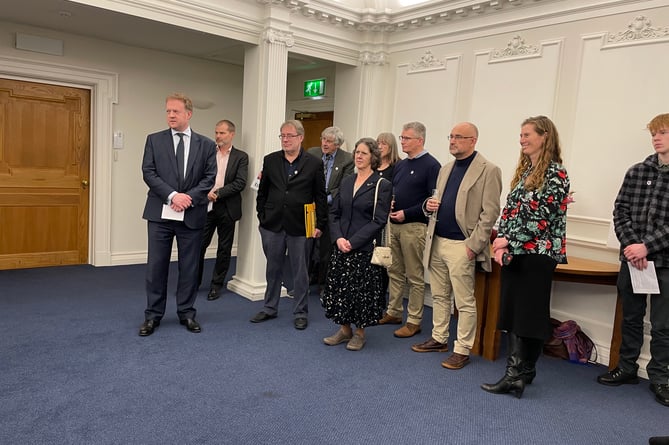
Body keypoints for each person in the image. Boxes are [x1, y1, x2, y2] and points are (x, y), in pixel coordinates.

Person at [481, 115, 570, 398]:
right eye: (520, 135)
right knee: (514, 312)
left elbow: (542, 217)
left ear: (545, 136)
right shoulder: (524, 172)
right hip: (514, 253)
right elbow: (510, 211)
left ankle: (515, 374)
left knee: (528, 314)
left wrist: (509, 240)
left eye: (527, 134)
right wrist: (500, 243)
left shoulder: (556, 173)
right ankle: (524, 373)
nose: (522, 140)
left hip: (538, 254)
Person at [412, 122, 502, 370]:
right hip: (437, 240)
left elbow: (490, 213)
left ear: (473, 140)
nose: (452, 141)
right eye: (450, 136)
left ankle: (462, 348)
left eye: (458, 137)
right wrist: (429, 204)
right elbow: (438, 200)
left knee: (464, 302)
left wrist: (473, 246)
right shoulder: (446, 168)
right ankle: (439, 338)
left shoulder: (489, 170)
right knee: (439, 295)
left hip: (462, 245)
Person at [596, 113, 669, 408]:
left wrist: (646, 247)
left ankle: (661, 378)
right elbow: (620, 210)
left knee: (664, 326)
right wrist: (631, 247)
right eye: (653, 133)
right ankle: (626, 368)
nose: (655, 137)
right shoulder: (637, 171)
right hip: (632, 260)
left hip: (664, 262)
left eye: (662, 132)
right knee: (631, 317)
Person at [139, 93, 217, 336]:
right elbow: (148, 172)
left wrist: (188, 198)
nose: (170, 115)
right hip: (161, 213)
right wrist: (173, 196)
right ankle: (153, 315)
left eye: (175, 111)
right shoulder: (154, 140)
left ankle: (186, 312)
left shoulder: (205, 144)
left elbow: (209, 178)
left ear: (188, 114)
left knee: (190, 266)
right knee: (156, 267)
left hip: (191, 213)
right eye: (168, 111)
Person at [253, 120, 328, 330]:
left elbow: (320, 196)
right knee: (273, 268)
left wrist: (319, 223)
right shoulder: (270, 160)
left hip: (301, 226)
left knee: (300, 271)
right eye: (282, 136)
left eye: (289, 136)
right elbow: (263, 192)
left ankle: (300, 311)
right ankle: (269, 307)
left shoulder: (314, 163)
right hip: (272, 225)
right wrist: (262, 216)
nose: (285, 140)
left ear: (300, 138)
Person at [321, 138, 392, 351]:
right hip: (341, 245)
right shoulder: (347, 181)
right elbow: (334, 213)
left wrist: (353, 242)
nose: (359, 156)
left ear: (373, 157)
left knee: (361, 292)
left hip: (363, 248)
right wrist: (339, 238)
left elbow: (379, 220)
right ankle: (344, 330)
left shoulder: (382, 185)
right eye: (357, 152)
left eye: (364, 153)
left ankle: (359, 333)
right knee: (341, 290)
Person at [378, 122, 441, 338]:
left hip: (414, 227)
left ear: (420, 140)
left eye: (406, 138)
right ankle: (394, 312)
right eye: (402, 137)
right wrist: (390, 205)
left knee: (414, 276)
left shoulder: (432, 165)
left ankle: (414, 320)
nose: (402, 141)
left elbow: (433, 199)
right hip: (394, 225)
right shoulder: (401, 165)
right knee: (394, 271)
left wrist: (408, 213)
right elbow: (394, 190)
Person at [197, 119, 249, 301]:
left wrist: (218, 193)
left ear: (231, 134)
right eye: (216, 132)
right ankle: (193, 282)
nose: (218, 136)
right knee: (198, 246)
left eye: (222, 133)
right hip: (206, 206)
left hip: (227, 207)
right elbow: (197, 177)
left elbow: (240, 182)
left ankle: (216, 285)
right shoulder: (207, 153)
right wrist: (206, 193)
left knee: (224, 248)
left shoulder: (241, 157)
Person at [307, 127, 354, 287]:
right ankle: (306, 280)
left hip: (331, 208)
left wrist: (323, 199)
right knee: (308, 245)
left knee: (326, 248)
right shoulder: (312, 153)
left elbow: (344, 185)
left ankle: (323, 285)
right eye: (323, 139)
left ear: (338, 144)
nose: (324, 143)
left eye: (329, 141)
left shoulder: (347, 159)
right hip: (310, 208)